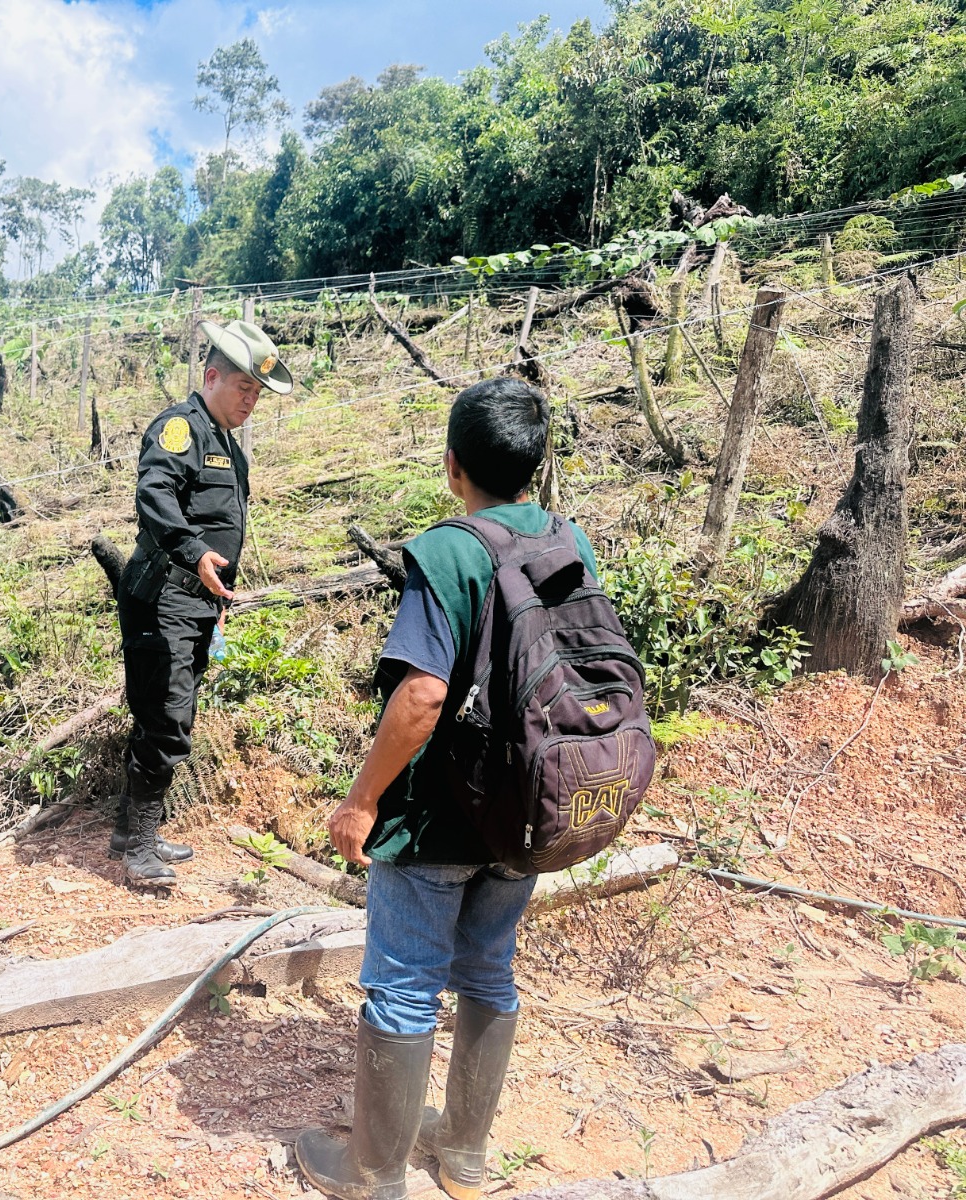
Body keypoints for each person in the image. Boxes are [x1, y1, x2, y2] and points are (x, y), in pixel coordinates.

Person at [296, 377, 598, 1200]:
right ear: (535, 465)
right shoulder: (569, 539)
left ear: (453, 464)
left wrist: (362, 800)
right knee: (489, 971)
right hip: (531, 806)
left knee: (403, 983)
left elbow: (424, 696)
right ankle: (463, 1158)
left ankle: (374, 1176)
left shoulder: (448, 551)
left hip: (440, 818)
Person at [113, 320, 291, 889]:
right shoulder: (180, 429)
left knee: (166, 712)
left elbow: (222, 527)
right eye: (243, 387)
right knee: (167, 718)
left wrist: (217, 597)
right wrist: (193, 554)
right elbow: (154, 494)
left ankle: (130, 830)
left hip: (196, 603)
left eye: (257, 392)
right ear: (211, 377)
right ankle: (139, 848)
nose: (251, 400)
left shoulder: (229, 447)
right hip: (163, 594)